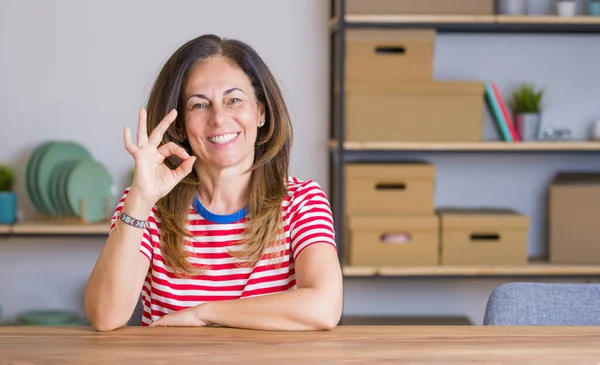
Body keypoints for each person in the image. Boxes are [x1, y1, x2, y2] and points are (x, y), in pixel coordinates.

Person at [83, 34, 343, 332]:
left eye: (234, 100)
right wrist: (140, 200)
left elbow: (324, 307)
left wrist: (204, 313)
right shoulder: (145, 204)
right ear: (180, 125)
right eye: (199, 105)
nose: (219, 118)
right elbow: (105, 316)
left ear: (260, 111)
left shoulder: (302, 200)